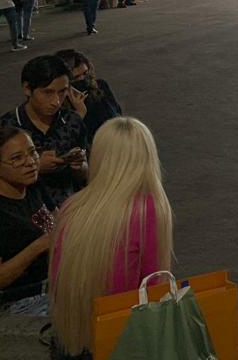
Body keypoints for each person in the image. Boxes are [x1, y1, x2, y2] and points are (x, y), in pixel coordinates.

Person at [50, 118, 173, 360]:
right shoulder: (149, 208)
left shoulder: (71, 206)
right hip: (121, 340)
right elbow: (154, 286)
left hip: (71, 339)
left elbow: (57, 279)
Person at [0, 56, 87, 208]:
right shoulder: (4, 129)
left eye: (62, 91)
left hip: (72, 209)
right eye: (47, 92)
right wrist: (36, 167)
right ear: (27, 89)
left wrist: (80, 167)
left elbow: (85, 175)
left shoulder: (72, 121)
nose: (56, 101)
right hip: (25, 217)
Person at [0, 125, 56, 315]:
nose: (30, 162)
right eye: (17, 158)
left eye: (32, 152)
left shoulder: (34, 187)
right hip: (17, 302)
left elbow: (59, 221)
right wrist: (38, 247)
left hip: (52, 287)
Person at [53, 50, 122, 149]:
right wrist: (79, 113)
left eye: (85, 73)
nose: (83, 79)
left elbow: (117, 114)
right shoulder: (57, 106)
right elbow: (65, 142)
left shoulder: (100, 87)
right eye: (75, 78)